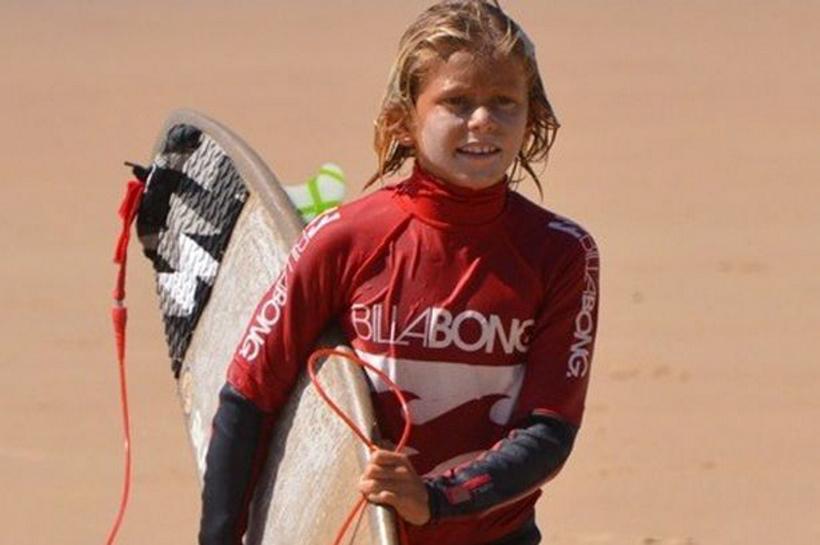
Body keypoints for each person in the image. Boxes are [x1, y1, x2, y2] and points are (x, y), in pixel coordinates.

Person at [199, 1, 600, 544]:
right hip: (360, 534)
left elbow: (549, 431)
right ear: (402, 121)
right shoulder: (345, 238)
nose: (482, 119)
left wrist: (435, 499)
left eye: (504, 101)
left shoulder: (560, 254)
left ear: (531, 119)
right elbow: (249, 400)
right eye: (456, 101)